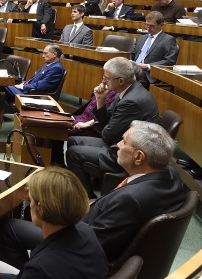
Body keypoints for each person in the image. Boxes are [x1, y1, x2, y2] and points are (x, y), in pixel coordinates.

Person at [0, 122, 185, 269]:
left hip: (76, 240)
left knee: (9, 228)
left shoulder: (131, 200)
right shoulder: (171, 176)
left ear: (138, 157)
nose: (117, 145)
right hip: (94, 221)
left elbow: (96, 244)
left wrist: (57, 211)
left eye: (124, 142)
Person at [66, 57, 159, 198]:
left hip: (129, 153)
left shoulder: (131, 101)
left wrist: (101, 126)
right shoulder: (127, 90)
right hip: (121, 141)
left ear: (120, 80)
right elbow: (107, 119)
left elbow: (107, 135)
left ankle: (86, 197)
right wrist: (100, 99)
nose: (104, 82)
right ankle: (85, 183)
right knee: (73, 140)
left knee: (73, 152)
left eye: (106, 78)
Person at [131, 11, 179, 82]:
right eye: (147, 25)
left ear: (161, 25)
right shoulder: (142, 38)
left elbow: (169, 61)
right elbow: (132, 54)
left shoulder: (168, 40)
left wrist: (148, 66)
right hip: (134, 69)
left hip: (149, 74)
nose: (148, 28)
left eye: (152, 26)